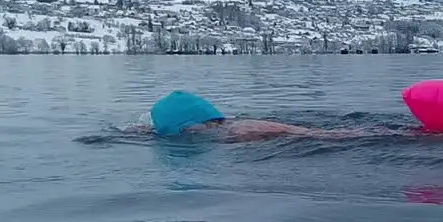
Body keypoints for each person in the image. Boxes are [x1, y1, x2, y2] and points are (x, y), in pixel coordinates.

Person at [143, 90, 372, 142]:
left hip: (341, 136)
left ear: (190, 125)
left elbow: (320, 136)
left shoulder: (242, 131)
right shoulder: (228, 126)